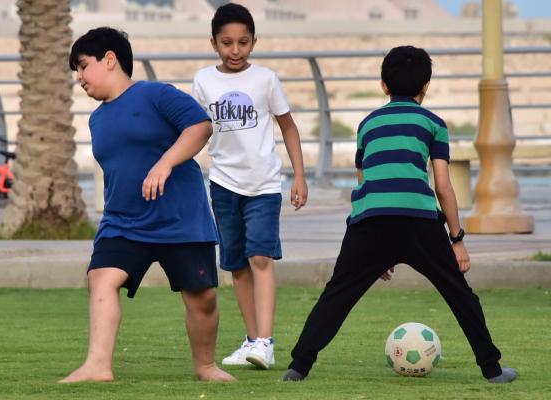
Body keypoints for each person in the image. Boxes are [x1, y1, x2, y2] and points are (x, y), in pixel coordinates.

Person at [282, 45, 517, 384]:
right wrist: (457, 239)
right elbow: (443, 186)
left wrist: (379, 254)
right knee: (458, 293)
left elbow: (364, 183)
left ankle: (298, 367)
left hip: (369, 222)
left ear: (383, 85)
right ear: (426, 87)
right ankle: (492, 370)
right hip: (419, 221)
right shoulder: (433, 124)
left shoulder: (367, 125)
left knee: (338, 295)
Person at [60, 27, 235, 383]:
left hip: (181, 220)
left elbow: (200, 127)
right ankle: (97, 366)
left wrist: (165, 163)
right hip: (123, 223)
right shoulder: (97, 119)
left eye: (82, 66)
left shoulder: (156, 94)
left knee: (202, 298)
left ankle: (205, 366)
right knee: (101, 279)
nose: (78, 78)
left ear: (109, 59)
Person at [192, 3, 308, 370]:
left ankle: (265, 340)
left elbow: (288, 126)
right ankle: (252, 340)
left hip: (264, 185)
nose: (235, 50)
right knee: (237, 266)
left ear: (254, 41)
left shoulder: (266, 79)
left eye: (243, 42)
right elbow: (197, 130)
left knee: (260, 258)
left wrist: (299, 176)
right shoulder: (203, 81)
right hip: (223, 185)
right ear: (213, 43)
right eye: (227, 42)